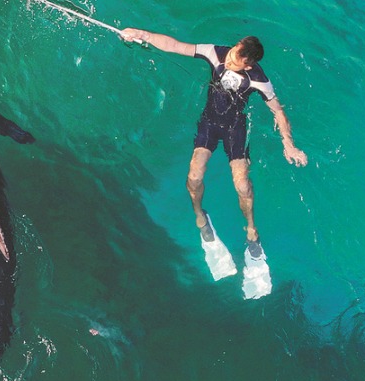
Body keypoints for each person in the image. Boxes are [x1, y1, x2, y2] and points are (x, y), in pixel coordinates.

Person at [119, 27, 308, 245]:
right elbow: (176, 46)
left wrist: (288, 143)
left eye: (235, 62)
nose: (228, 61)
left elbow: (278, 111)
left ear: (249, 65)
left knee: (243, 185)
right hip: (209, 123)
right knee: (194, 177)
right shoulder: (216, 53)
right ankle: (200, 215)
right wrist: (142, 35)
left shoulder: (258, 79)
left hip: (235, 128)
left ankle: (251, 228)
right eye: (233, 53)